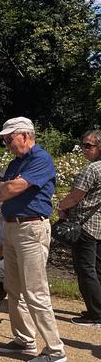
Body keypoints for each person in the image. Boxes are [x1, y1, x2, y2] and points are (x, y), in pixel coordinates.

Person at [0, 117, 66, 362]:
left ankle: (55, 349)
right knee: (13, 287)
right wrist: (5, 188)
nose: (7, 144)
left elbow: (11, 188)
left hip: (32, 227)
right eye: (5, 140)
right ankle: (24, 339)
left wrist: (5, 188)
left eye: (9, 139)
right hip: (12, 227)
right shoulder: (16, 162)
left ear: (24, 135)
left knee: (35, 290)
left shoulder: (40, 159)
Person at [58, 129, 101, 327]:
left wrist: (61, 206)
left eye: (88, 145)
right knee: (96, 270)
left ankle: (96, 314)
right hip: (98, 224)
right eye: (83, 144)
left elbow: (76, 196)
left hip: (84, 224)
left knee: (85, 270)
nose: (83, 149)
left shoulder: (92, 169)